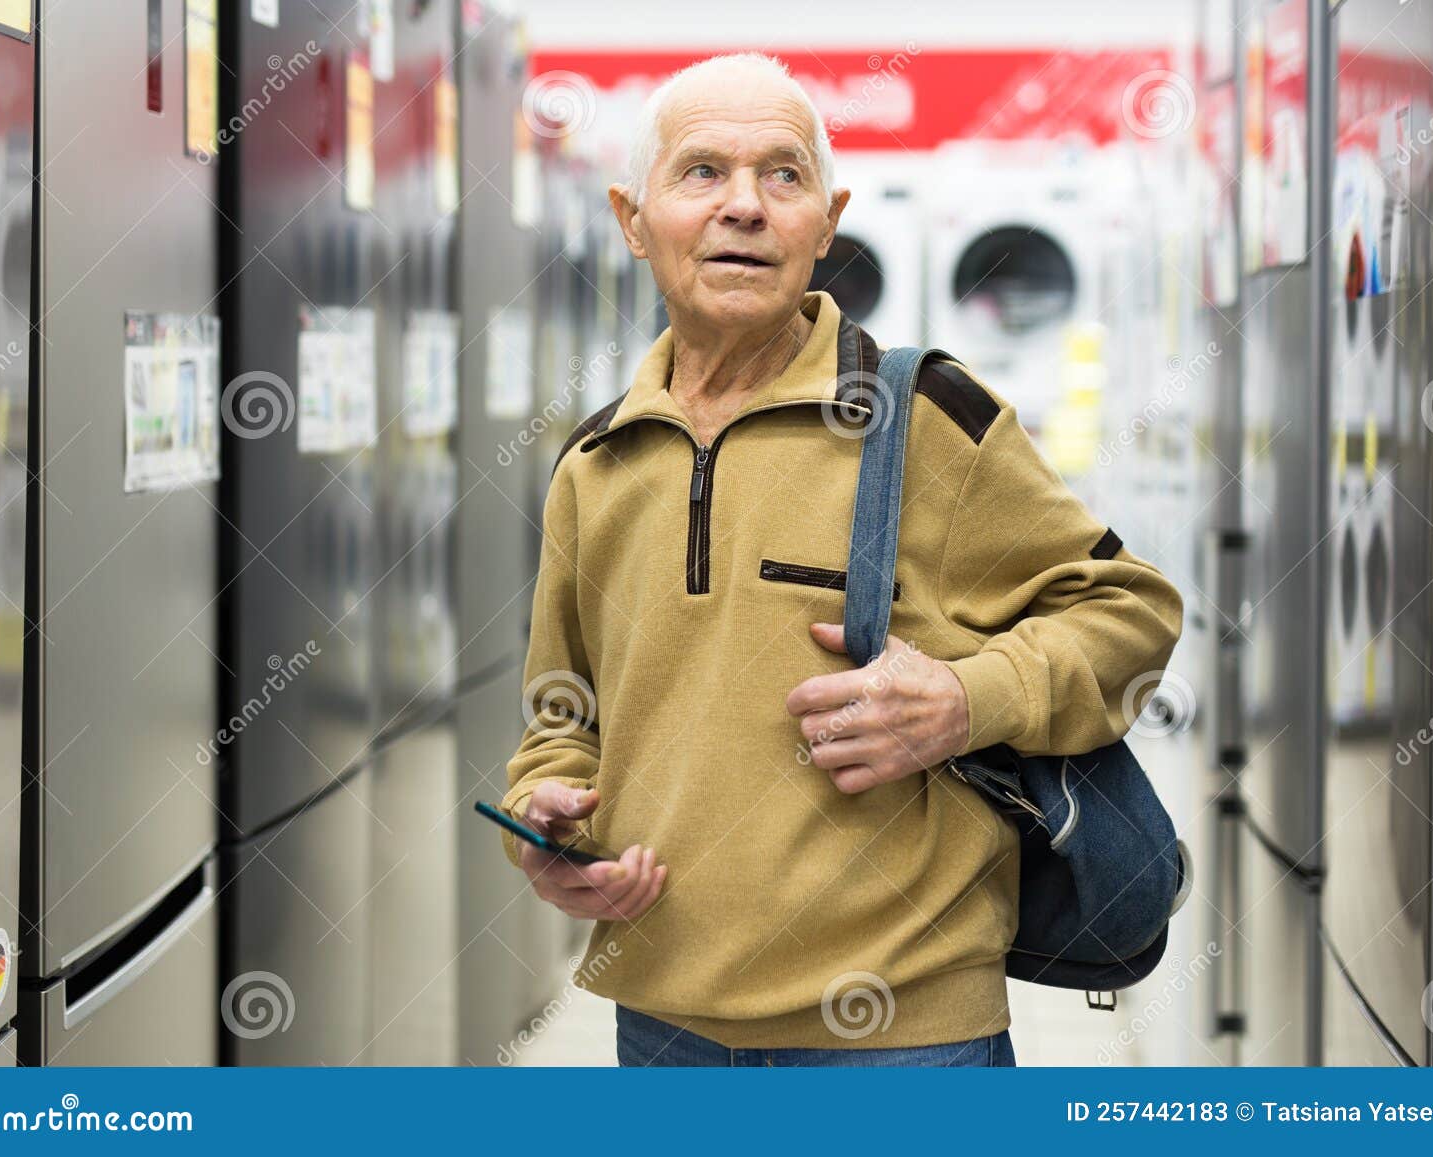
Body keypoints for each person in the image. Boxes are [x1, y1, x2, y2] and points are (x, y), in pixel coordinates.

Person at [495, 52, 1184, 1067]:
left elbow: (1130, 612)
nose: (744, 206)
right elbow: (564, 719)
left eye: (783, 175)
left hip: (904, 1033)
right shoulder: (596, 464)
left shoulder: (924, 419)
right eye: (701, 173)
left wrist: (964, 696)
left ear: (827, 220)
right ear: (631, 219)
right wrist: (539, 823)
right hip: (661, 1023)